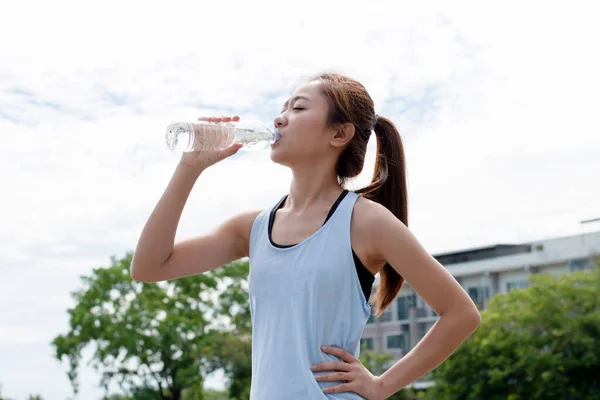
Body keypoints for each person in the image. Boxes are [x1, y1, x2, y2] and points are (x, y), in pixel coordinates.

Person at [131, 72, 481, 399]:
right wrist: (189, 168)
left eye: (298, 108)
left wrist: (382, 385)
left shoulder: (367, 222)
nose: (280, 119)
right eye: (282, 107)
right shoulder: (252, 228)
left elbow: (461, 314)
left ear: (339, 134)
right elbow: (149, 267)